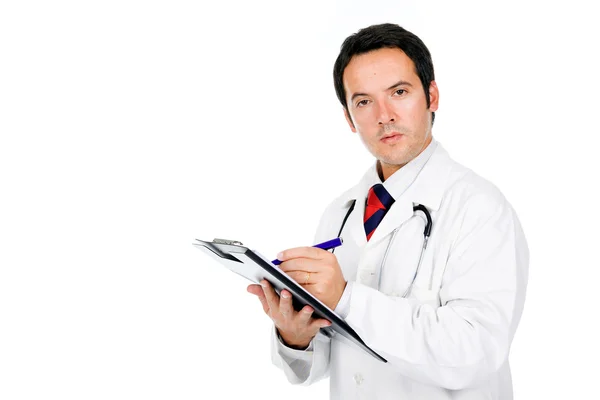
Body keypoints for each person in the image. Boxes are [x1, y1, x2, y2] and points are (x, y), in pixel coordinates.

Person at [247, 22, 529, 400]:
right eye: (363, 101)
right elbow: (330, 359)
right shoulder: (340, 213)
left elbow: (475, 352)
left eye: (399, 92)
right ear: (349, 118)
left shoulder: (480, 208)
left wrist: (346, 298)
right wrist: (297, 337)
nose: (384, 115)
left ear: (432, 96)